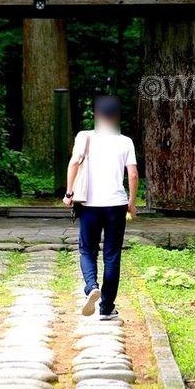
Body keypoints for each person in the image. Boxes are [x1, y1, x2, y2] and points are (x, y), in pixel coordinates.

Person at [63, 96, 139, 320]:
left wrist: (69, 194)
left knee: (87, 249)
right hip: (116, 204)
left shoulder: (84, 137)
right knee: (112, 254)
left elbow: (74, 163)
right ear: (116, 117)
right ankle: (106, 308)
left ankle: (90, 287)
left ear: (96, 115)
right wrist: (132, 203)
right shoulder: (125, 141)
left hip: (89, 204)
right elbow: (133, 174)